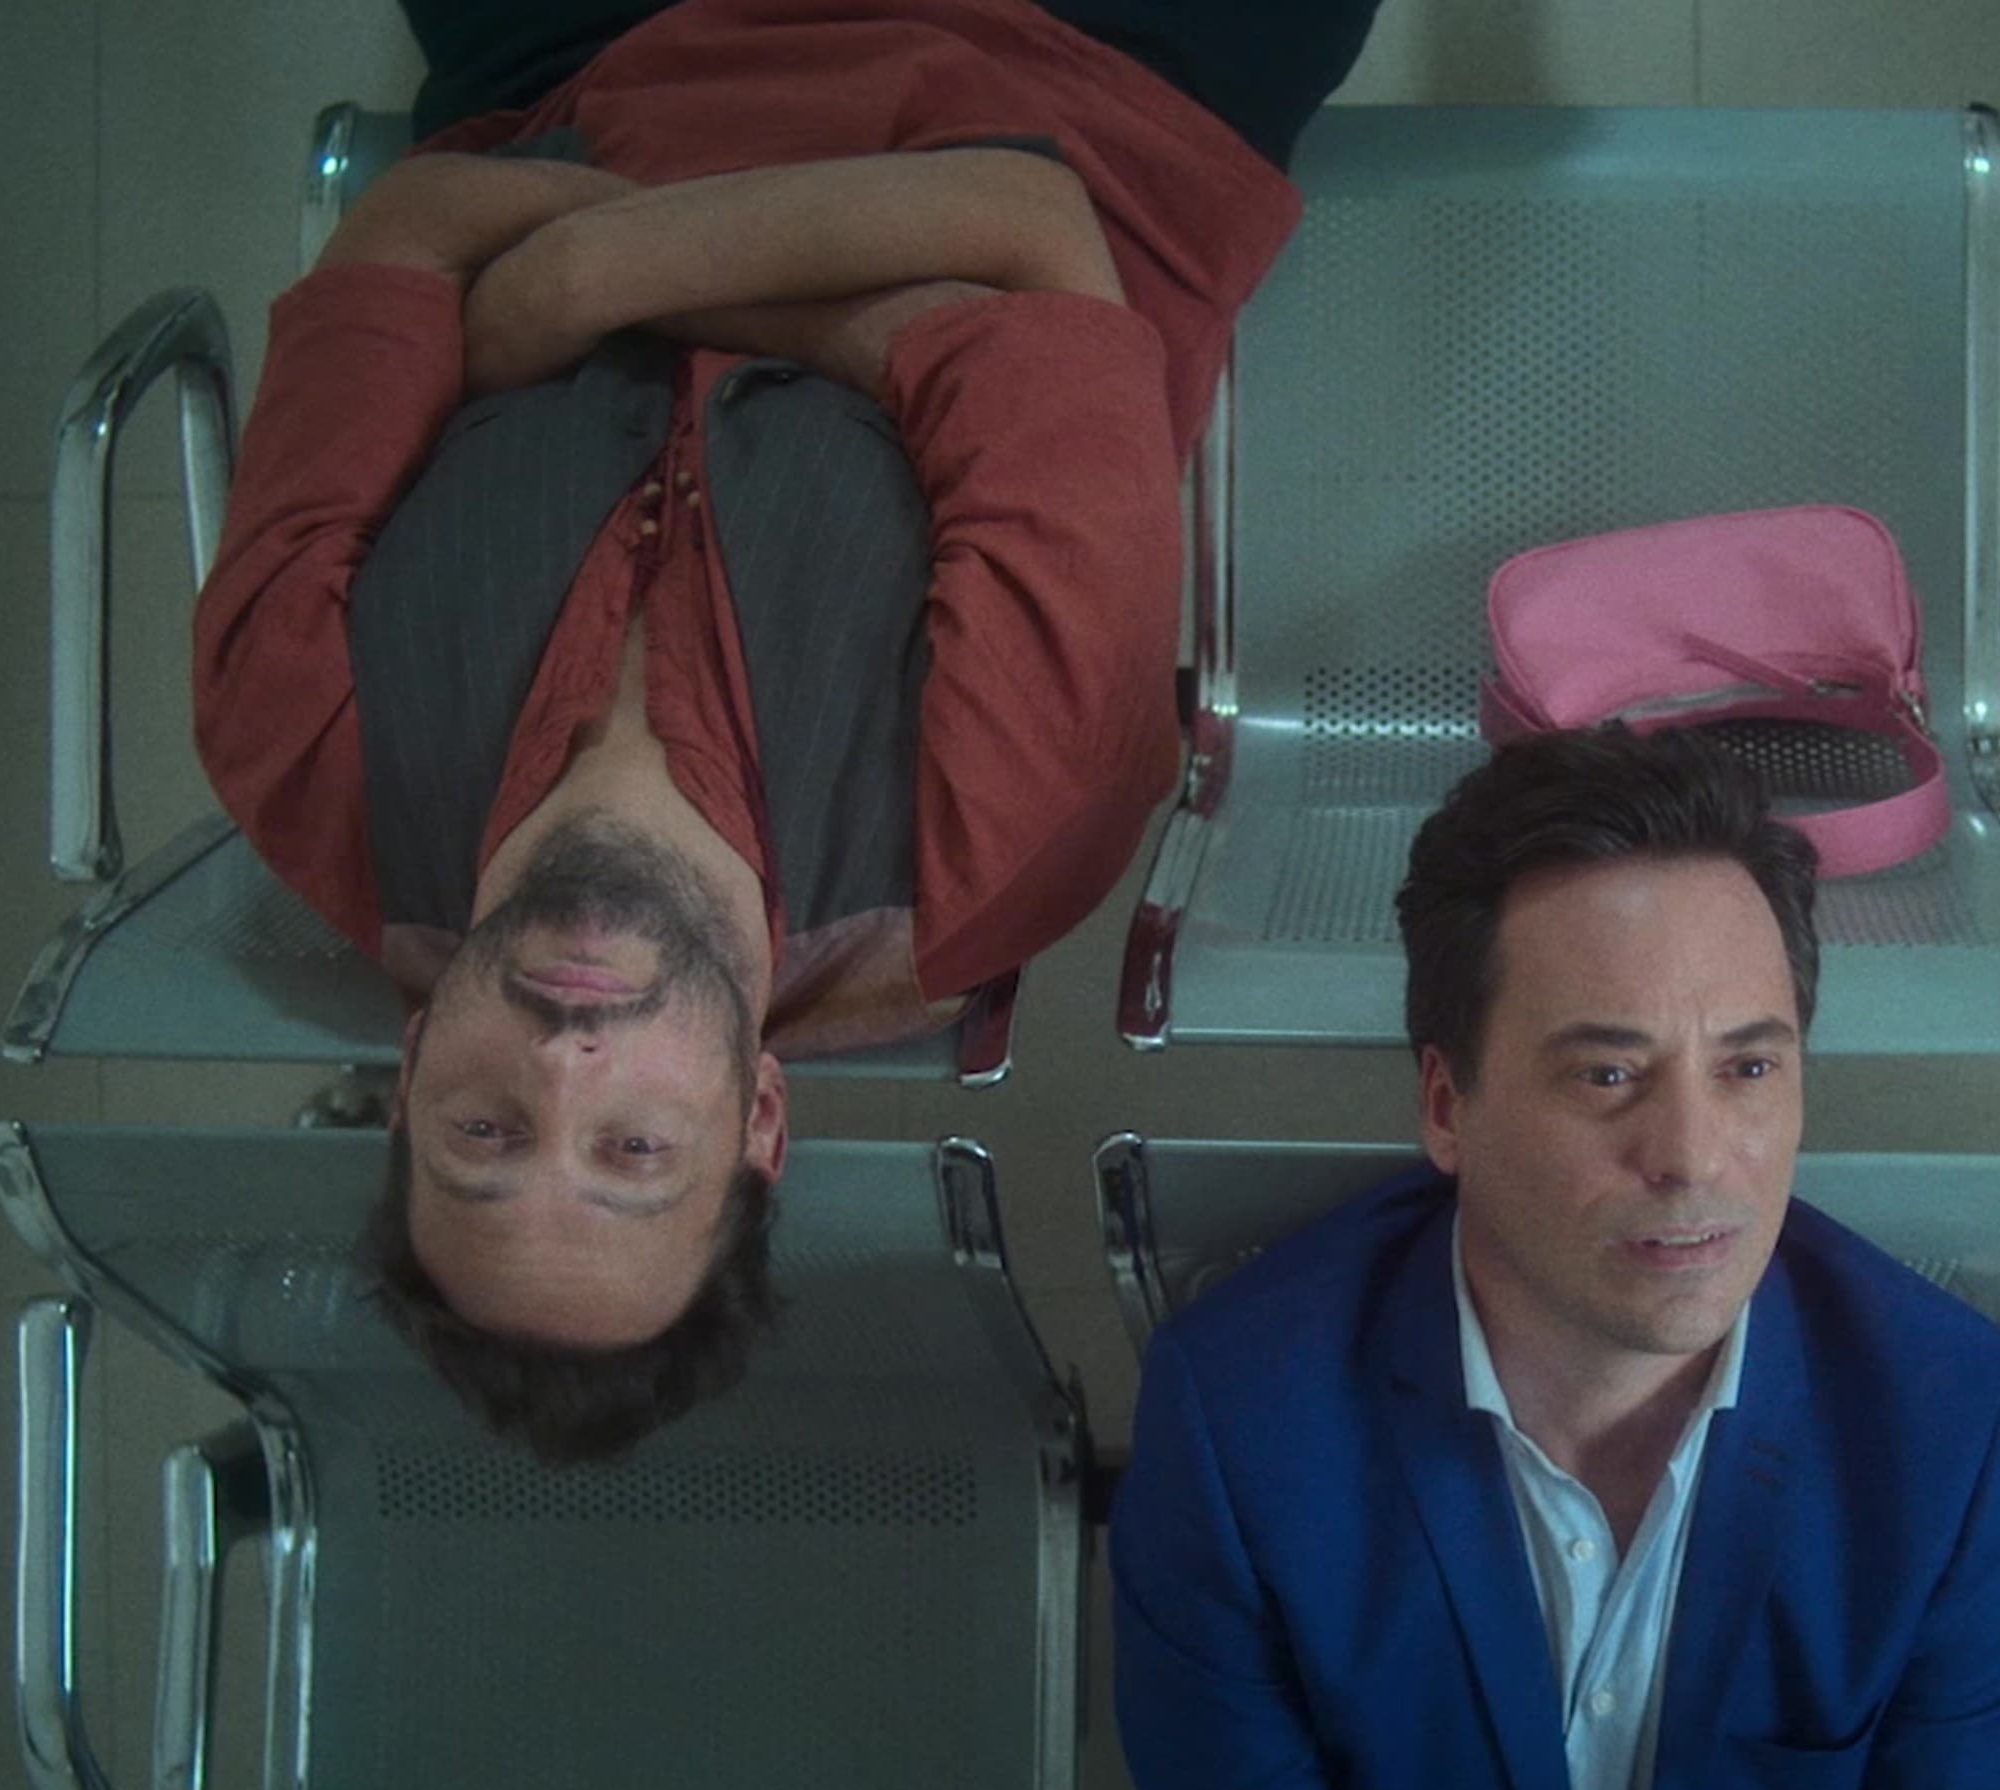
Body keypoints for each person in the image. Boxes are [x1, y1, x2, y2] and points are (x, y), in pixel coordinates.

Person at [192, 0, 1376, 1461]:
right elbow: (1027, 218)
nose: (562, 1066)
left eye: (483, 1136)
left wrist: (876, 327)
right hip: (1089, 74)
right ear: (758, 1121)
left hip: (592, 67)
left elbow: (414, 220)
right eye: (636, 1149)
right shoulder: (993, 839)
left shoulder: (293, 747)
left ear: (415, 1076)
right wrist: (567, 288)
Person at [1108, 727, 2000, 1790]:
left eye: (1749, 1066)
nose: (1694, 1156)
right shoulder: (1239, 1425)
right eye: (1609, 1076)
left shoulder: (1942, 1423)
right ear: (1447, 1105)